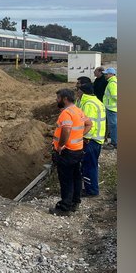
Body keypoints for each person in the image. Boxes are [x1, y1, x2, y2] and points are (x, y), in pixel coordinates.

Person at [49, 88, 92, 216]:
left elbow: (66, 130)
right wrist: (78, 136)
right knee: (76, 177)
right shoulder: (78, 111)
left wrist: (61, 145)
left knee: (66, 179)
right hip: (77, 150)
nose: (57, 100)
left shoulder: (66, 113)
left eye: (58, 98)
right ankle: (75, 202)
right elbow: (89, 124)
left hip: (67, 152)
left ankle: (64, 207)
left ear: (65, 99)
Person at [76, 83, 106, 197]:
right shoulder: (97, 101)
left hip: (91, 140)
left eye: (78, 91)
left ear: (82, 92)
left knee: (89, 166)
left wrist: (84, 138)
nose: (77, 93)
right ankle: (91, 188)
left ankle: (91, 190)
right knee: (90, 165)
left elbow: (89, 124)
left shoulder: (88, 104)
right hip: (97, 139)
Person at [103, 68, 118, 149]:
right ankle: (114, 141)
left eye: (107, 74)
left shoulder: (112, 83)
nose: (105, 75)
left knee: (113, 126)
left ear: (111, 74)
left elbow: (115, 96)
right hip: (112, 107)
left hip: (111, 108)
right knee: (113, 125)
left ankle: (114, 143)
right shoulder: (113, 81)